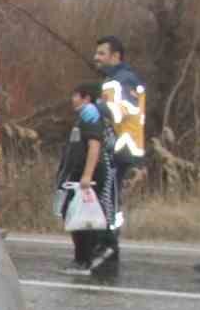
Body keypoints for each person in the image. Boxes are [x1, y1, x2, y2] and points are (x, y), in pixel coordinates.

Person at [56, 82, 120, 277]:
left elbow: (94, 147)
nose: (72, 99)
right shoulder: (83, 117)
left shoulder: (90, 116)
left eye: (77, 95)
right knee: (76, 216)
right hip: (78, 177)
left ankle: (86, 259)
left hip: (89, 178)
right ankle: (84, 258)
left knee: (83, 219)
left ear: (87, 98)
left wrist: (87, 175)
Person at [93, 35, 145, 249]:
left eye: (101, 53)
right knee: (109, 193)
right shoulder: (113, 80)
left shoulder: (124, 79)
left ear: (116, 56)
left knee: (110, 194)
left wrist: (95, 108)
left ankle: (108, 242)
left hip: (123, 146)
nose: (96, 57)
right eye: (96, 53)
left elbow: (126, 109)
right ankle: (107, 238)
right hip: (115, 145)